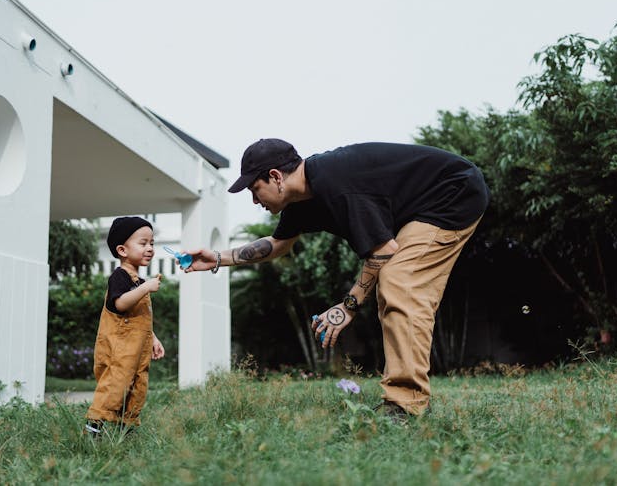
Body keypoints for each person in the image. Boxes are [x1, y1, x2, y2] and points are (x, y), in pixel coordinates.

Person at [183, 138, 489, 419]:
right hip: (423, 206)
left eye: (254, 189)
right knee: (396, 285)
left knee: (400, 282)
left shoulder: (337, 182)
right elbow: (278, 244)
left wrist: (349, 306)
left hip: (453, 193)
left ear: (276, 177)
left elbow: (383, 251)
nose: (254, 200)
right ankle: (406, 398)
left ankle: (406, 404)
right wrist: (218, 258)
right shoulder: (301, 199)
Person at [85, 216, 166, 436]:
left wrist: (153, 338)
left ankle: (125, 432)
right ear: (122, 250)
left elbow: (139, 315)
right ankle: (93, 429)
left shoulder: (138, 282)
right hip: (119, 349)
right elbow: (120, 303)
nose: (150, 248)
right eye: (143, 243)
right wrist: (146, 288)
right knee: (115, 386)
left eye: (152, 243)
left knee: (137, 388)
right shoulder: (119, 276)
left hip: (137, 349)